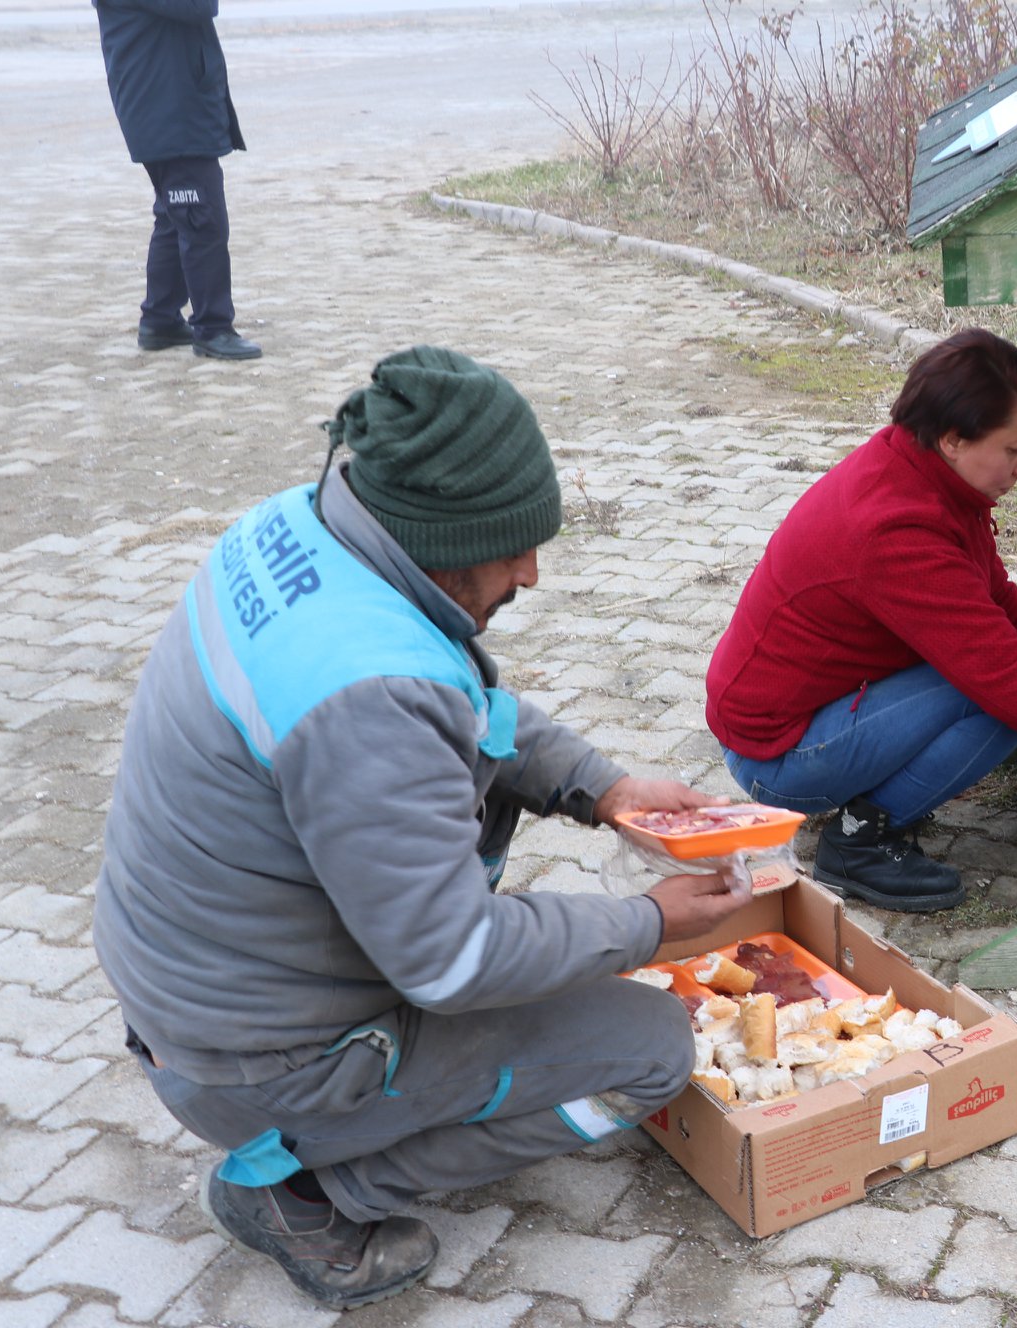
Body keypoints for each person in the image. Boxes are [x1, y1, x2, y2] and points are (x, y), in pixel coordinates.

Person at [91, 347, 751, 1309]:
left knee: (533, 951)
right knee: (650, 1046)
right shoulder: (366, 695)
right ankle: (311, 1194)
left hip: (194, 997)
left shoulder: (307, 531)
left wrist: (602, 788)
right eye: (513, 546)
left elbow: (457, 701)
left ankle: (337, 1133)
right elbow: (450, 965)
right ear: (440, 534)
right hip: (256, 1061)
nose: (531, 571)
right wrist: (650, 923)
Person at [706, 329, 1017, 913]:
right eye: (1015, 448)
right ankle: (858, 842)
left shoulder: (925, 474)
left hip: (814, 710)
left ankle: (875, 799)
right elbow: (1011, 680)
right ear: (953, 438)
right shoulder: (895, 530)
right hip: (778, 757)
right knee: (1001, 697)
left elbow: (996, 600)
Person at [94, 0, 261, 360]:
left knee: (176, 215)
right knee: (202, 219)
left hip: (168, 104)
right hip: (169, 108)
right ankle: (213, 328)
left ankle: (160, 319)